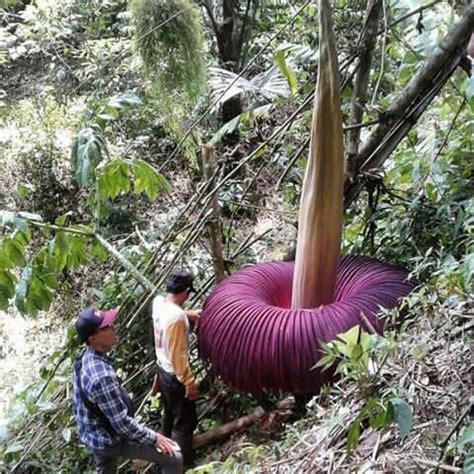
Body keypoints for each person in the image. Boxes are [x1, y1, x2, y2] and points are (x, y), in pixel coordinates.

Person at [72, 307, 183, 474]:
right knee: (173, 457)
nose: (113, 327)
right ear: (93, 338)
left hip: (93, 434)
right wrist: (155, 438)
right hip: (109, 438)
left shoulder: (83, 358)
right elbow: (121, 424)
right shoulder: (101, 376)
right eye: (106, 327)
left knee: (105, 469)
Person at [151, 270, 200, 467]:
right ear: (186, 292)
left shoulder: (158, 303)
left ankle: (163, 458)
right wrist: (189, 382)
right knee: (184, 423)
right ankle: (182, 465)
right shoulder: (177, 318)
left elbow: (170, 317)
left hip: (163, 371)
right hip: (174, 375)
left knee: (170, 415)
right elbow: (177, 355)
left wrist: (189, 314)